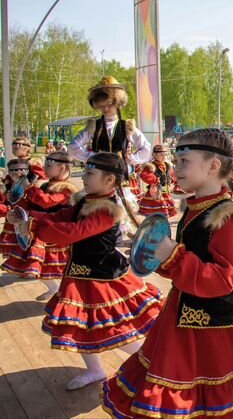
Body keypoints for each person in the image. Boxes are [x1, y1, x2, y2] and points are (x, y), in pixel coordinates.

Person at [102, 129, 233, 419]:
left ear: (213, 165)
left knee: (211, 394)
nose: (176, 168)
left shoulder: (226, 216)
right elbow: (183, 265)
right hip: (183, 313)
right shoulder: (193, 207)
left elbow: (224, 279)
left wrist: (172, 255)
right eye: (175, 161)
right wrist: (157, 255)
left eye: (184, 161)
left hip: (215, 322)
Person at [8, 152, 162, 390]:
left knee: (112, 328)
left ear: (109, 180)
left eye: (90, 173)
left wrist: (35, 225)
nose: (84, 177)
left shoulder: (106, 210)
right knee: (80, 326)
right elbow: (61, 216)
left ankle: (152, 362)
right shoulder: (86, 199)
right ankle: (95, 370)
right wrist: (28, 216)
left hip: (102, 278)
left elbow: (72, 232)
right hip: (78, 274)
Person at [0, 151, 78, 300]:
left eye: (49, 165)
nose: (45, 168)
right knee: (40, 267)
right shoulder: (46, 185)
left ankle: (70, 296)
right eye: (45, 164)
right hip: (43, 232)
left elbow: (46, 202)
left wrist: (29, 188)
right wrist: (16, 207)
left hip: (59, 234)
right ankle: (55, 290)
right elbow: (33, 206)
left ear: (62, 168)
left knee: (63, 269)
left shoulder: (67, 188)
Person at [69, 76, 151, 167]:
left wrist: (131, 159)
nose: (105, 108)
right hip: (99, 173)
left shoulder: (127, 126)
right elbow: (73, 147)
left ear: (118, 103)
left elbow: (146, 148)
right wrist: (93, 157)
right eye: (102, 105)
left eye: (109, 104)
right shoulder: (94, 126)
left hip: (120, 173)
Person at [138, 144, 177, 217]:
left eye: (165, 153)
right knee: (157, 212)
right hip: (155, 194)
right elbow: (143, 175)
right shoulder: (151, 166)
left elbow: (171, 175)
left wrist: (171, 180)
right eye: (161, 153)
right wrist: (155, 180)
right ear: (154, 155)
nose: (163, 156)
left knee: (166, 213)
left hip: (166, 193)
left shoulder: (167, 165)